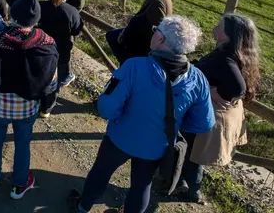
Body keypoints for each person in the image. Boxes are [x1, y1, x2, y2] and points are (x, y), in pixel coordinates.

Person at [68, 15, 215, 213]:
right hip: (157, 147)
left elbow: (106, 107)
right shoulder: (198, 79)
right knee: (141, 186)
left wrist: (121, 116)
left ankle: (82, 207)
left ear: (161, 39)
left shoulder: (134, 66)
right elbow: (204, 123)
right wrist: (174, 124)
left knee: (101, 173)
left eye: (156, 30)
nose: (153, 33)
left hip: (120, 138)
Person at [0, 0, 58, 200]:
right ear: (36, 20)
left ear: (13, 16)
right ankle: (19, 184)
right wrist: (46, 106)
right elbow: (51, 82)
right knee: (23, 143)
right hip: (28, 108)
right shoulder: (48, 43)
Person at [179, 13, 261, 203]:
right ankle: (184, 184)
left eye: (219, 26)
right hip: (216, 113)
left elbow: (238, 87)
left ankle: (189, 189)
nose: (215, 27)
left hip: (208, 114)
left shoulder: (225, 57)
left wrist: (215, 92)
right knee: (191, 152)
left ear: (227, 35)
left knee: (191, 152)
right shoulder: (237, 54)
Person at [106, 0, 173, 64]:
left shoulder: (157, 4)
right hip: (136, 40)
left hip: (139, 47)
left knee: (112, 37)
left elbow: (158, 31)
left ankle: (127, 66)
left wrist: (126, 34)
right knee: (111, 35)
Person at [38, 0, 84, 113]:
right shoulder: (71, 11)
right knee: (56, 81)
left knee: (39, 75)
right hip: (61, 53)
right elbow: (76, 31)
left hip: (40, 49)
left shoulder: (40, 6)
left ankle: (35, 101)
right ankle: (46, 109)